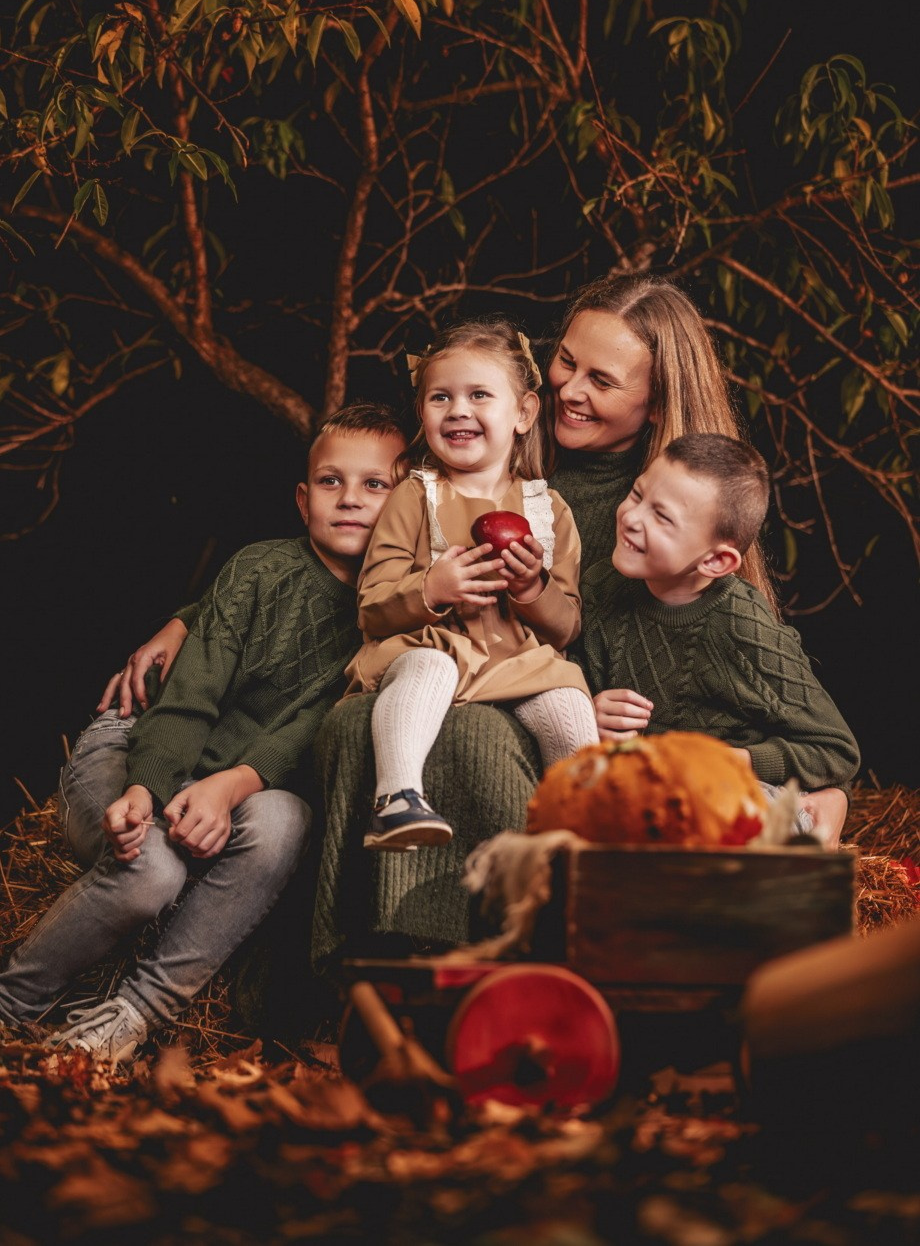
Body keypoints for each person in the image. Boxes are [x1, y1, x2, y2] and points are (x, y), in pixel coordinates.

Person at [310, 274, 824, 974]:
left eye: (601, 381)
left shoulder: (670, 511)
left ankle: (520, 952)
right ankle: (386, 958)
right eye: (566, 363)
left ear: (654, 405)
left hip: (591, 725)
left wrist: (676, 747)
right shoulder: (494, 461)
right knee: (386, 717)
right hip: (459, 667)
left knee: (483, 732)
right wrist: (202, 617)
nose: (569, 390)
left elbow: (807, 746)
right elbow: (354, 545)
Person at [0, 404, 407, 1064]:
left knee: (286, 819)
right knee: (149, 872)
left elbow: (307, 730)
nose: (351, 500)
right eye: (332, 482)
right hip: (138, 748)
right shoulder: (258, 570)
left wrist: (227, 789)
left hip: (231, 788)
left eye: (376, 484)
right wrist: (143, 789)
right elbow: (189, 699)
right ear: (303, 501)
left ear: (409, 499)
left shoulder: (395, 615)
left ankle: (128, 1020)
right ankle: (0, 1006)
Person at [342, 319, 599, 851]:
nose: (458, 410)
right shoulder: (415, 496)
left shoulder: (547, 509)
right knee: (430, 667)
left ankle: (579, 829)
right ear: (423, 412)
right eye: (441, 397)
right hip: (428, 647)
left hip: (514, 662)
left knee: (568, 695)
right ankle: (397, 800)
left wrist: (532, 588)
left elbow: (566, 626)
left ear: (524, 412)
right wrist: (432, 589)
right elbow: (371, 607)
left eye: (479, 394)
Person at [581, 433, 860, 848]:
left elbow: (837, 750)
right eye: (637, 494)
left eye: (662, 516)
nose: (632, 517)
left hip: (742, 793)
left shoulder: (741, 625)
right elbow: (578, 683)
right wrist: (591, 711)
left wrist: (736, 761)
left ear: (715, 560)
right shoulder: (601, 586)